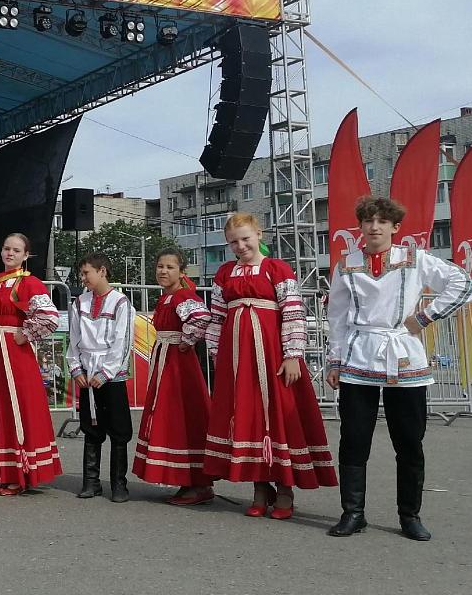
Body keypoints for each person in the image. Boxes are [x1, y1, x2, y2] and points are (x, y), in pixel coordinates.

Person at [325, 195, 472, 542]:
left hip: (403, 355)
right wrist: (334, 360)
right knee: (353, 439)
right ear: (361, 227)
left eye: (381, 222)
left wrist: (424, 317)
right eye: (367, 221)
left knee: (409, 441)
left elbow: (462, 284)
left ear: (395, 228)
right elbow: (337, 316)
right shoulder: (346, 264)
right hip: (358, 357)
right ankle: (353, 513)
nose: (374, 227)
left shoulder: (415, 259)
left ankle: (410, 515)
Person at [203, 213, 336, 517]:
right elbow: (216, 318)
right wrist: (216, 354)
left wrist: (292, 355)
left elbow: (293, 313)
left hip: (272, 356)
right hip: (238, 360)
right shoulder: (224, 274)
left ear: (259, 235)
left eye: (245, 238)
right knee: (246, 416)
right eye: (233, 242)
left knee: (277, 416)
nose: (240, 245)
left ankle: (285, 488)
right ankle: (260, 486)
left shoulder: (277, 269)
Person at [0, 233, 62, 496]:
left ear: (26, 256)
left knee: (17, 406)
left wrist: (26, 333)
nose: (9, 253)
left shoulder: (30, 284)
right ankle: (1, 471)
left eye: (15, 250)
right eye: (6, 248)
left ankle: (20, 473)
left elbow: (49, 317)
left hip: (15, 352)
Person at [132, 248, 214, 505]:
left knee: (183, 416)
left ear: (182, 272)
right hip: (166, 360)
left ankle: (198, 482)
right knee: (169, 417)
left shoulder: (183, 296)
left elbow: (201, 318)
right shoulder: (166, 298)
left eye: (169, 267)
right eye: (160, 266)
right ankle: (185, 479)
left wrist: (185, 341)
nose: (163, 271)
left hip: (179, 365)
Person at [67, 252, 135, 502]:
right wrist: (76, 368)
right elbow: (73, 339)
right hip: (87, 373)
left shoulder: (120, 302)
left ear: (102, 271)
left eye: (87, 273)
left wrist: (106, 372)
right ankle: (91, 482)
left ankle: (119, 484)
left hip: (111, 375)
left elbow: (123, 341)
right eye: (82, 273)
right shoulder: (79, 303)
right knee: (91, 427)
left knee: (118, 430)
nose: (83, 278)